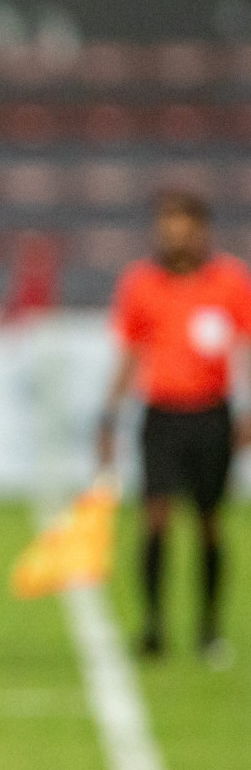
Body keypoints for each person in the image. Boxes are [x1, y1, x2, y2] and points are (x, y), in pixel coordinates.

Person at [98, 189, 251, 666]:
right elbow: (129, 351)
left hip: (212, 413)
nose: (174, 233)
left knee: (208, 523)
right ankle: (154, 628)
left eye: (182, 224)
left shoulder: (230, 281)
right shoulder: (140, 283)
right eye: (166, 224)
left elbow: (245, 346)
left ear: (200, 229)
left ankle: (208, 631)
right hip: (160, 414)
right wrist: (108, 413)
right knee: (156, 517)